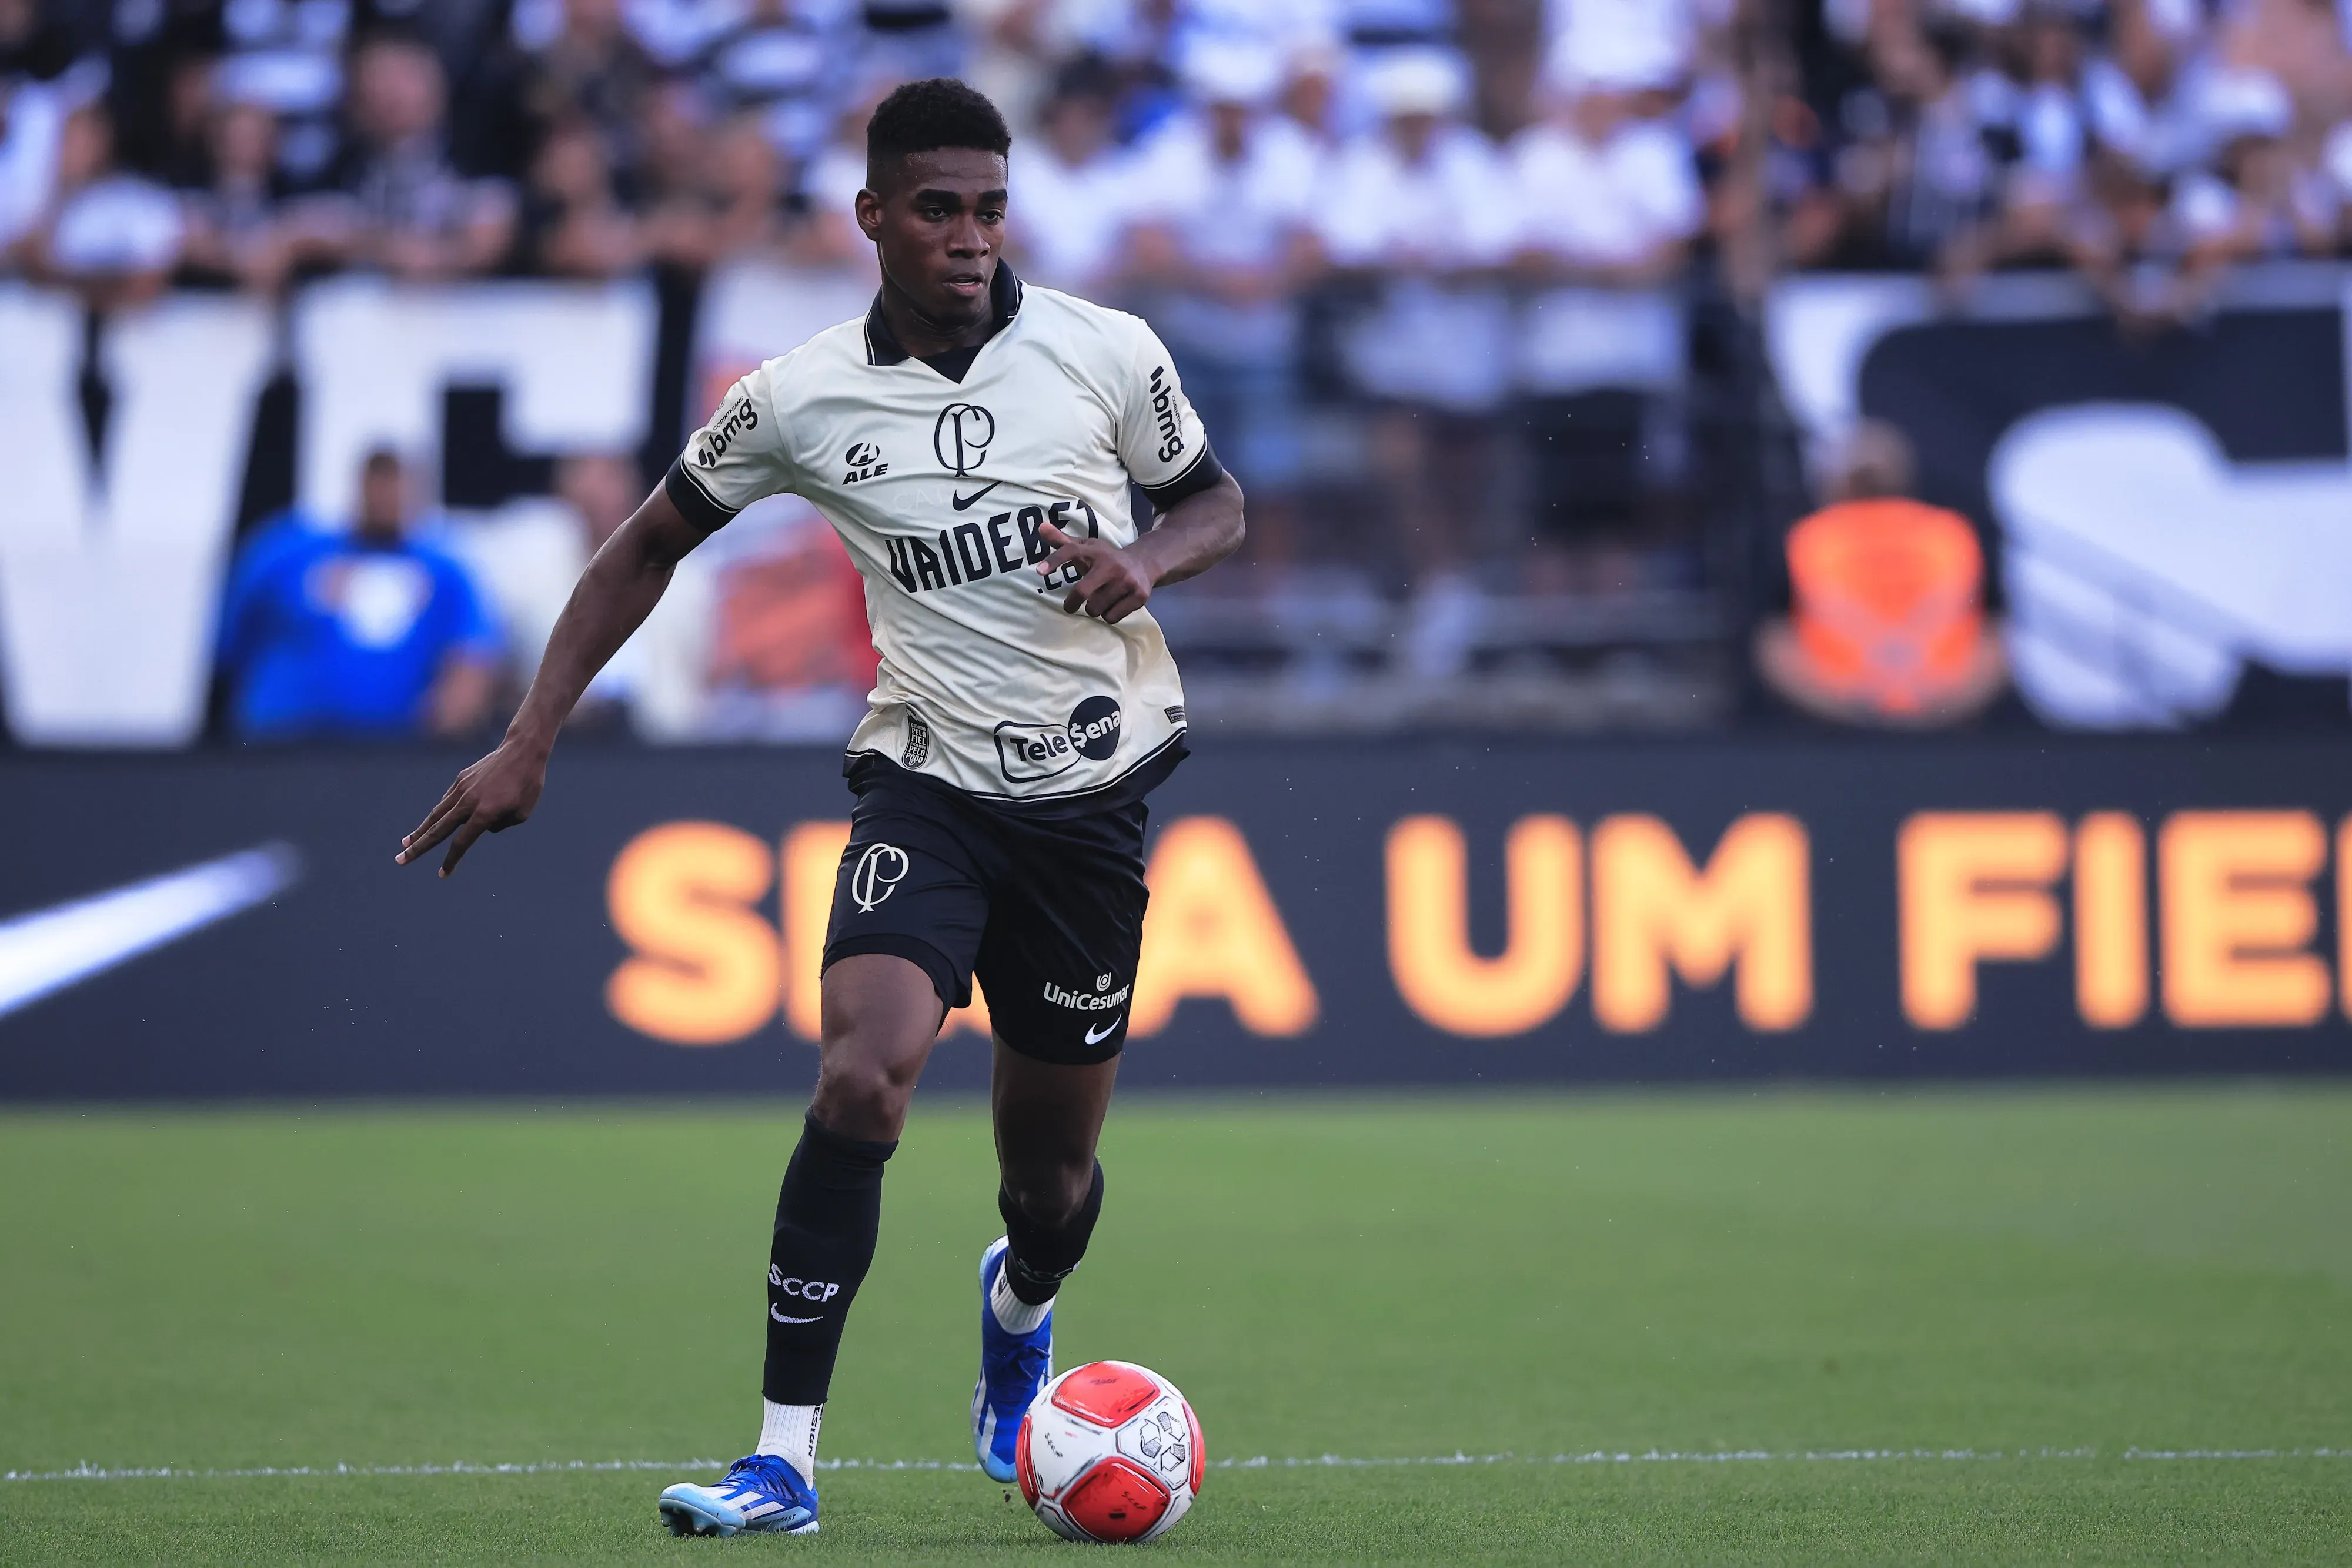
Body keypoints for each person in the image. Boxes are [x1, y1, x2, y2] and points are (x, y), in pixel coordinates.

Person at [393, 78, 1246, 1537]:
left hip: (1089, 802)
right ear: (871, 216)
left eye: (988, 209)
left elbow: (1216, 502)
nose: (969, 236)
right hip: (925, 784)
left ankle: (1018, 1307)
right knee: (861, 1076)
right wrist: (531, 737)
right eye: (937, 208)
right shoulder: (795, 397)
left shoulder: (1105, 350)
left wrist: (1147, 562)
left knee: (1048, 1189)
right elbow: (641, 547)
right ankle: (781, 1461)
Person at [216, 449, 502, 742]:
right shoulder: (287, 554)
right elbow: (233, 641)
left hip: (395, 748)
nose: (387, 498)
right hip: (281, 739)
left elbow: (473, 653)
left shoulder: (446, 571)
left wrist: (446, 726)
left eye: (396, 487)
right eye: (379, 484)